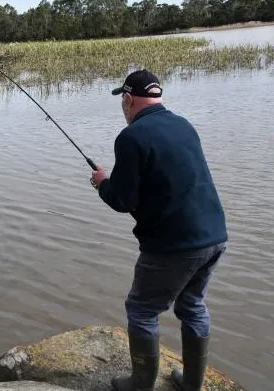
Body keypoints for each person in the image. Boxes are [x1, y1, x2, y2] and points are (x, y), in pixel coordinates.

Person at [90, 69, 227, 391]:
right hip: (215, 236)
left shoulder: (131, 137)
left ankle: (141, 384)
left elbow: (123, 200)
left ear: (128, 98)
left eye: (122, 100)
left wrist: (102, 183)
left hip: (174, 244)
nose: (123, 107)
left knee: (141, 310)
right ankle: (192, 384)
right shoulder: (184, 125)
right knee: (192, 305)